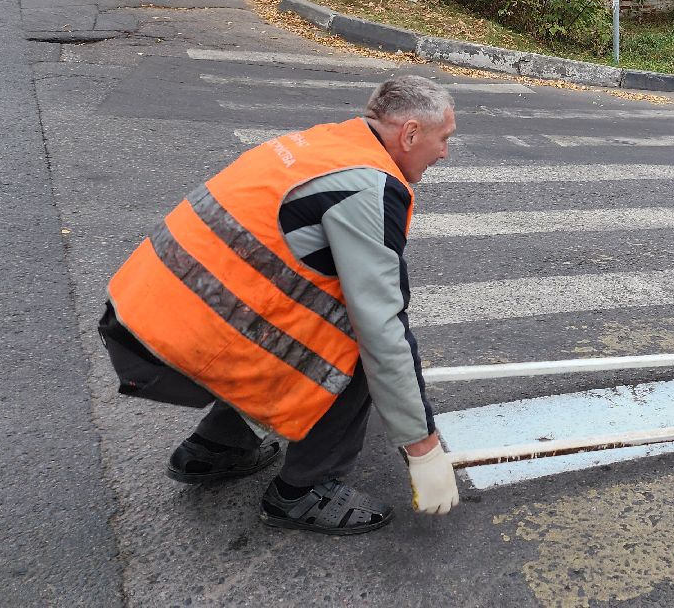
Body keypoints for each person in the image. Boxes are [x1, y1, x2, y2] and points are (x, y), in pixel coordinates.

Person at [98, 75, 461, 534]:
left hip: (136, 315)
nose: (444, 153)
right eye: (443, 139)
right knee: (357, 345)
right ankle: (303, 493)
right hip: (179, 344)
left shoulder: (321, 142)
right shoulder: (371, 186)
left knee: (297, 318)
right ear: (410, 133)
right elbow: (382, 328)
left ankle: (214, 449)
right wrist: (422, 447)